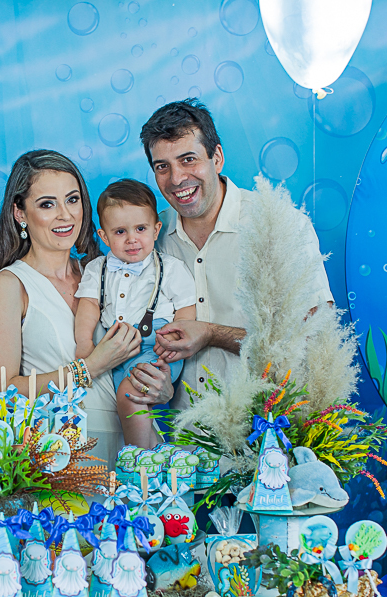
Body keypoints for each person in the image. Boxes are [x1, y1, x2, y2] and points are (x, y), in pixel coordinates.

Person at [0, 150, 177, 463]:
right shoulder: (10, 284)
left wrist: (161, 388)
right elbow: (1, 391)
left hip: (133, 448)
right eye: (47, 204)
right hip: (61, 459)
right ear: (20, 213)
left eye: (72, 200)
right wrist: (90, 367)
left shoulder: (104, 271)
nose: (65, 215)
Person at [140, 99, 333, 406]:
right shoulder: (150, 237)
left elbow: (314, 337)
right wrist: (159, 388)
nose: (176, 179)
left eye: (188, 159)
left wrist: (212, 333)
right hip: (183, 434)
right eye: (162, 167)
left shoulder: (280, 225)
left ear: (216, 158)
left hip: (270, 428)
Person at [74, 179, 196, 448]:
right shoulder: (97, 268)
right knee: (132, 407)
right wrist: (84, 343)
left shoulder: (170, 268)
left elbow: (187, 309)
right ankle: (155, 456)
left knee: (132, 394)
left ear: (156, 229)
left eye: (141, 229)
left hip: (157, 347)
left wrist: (175, 339)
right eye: (120, 231)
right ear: (104, 236)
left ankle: (137, 458)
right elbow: (88, 305)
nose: (131, 239)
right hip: (114, 351)